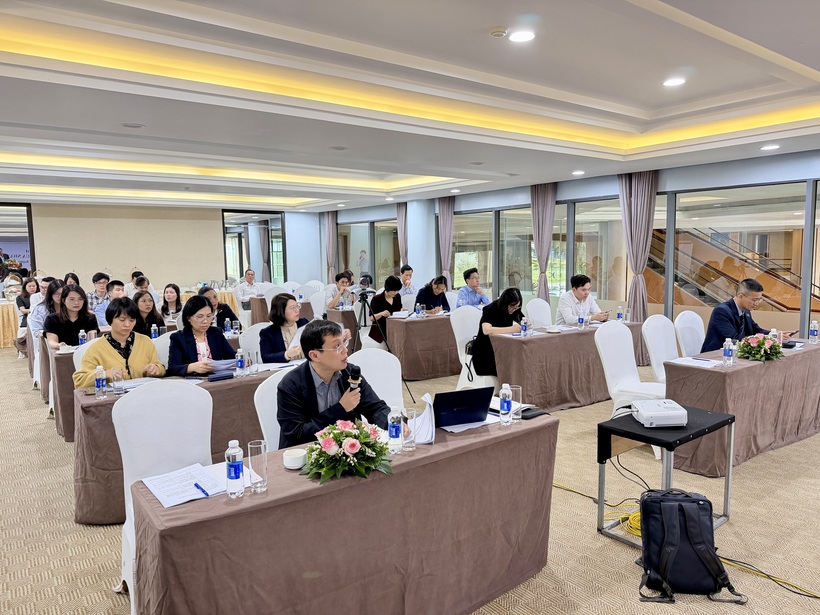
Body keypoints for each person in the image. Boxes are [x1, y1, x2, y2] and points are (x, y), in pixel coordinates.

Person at [276, 320, 389, 448]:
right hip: (304, 455)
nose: (345, 350)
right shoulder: (290, 385)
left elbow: (375, 408)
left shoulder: (350, 374)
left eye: (344, 343)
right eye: (337, 346)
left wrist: (393, 422)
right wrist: (341, 408)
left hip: (346, 451)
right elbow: (297, 434)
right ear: (315, 355)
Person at [73, 298, 165, 388]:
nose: (127, 324)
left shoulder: (145, 341)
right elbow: (79, 381)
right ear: (110, 319)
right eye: (122, 320)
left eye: (132, 320)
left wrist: (156, 369)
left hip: (142, 395)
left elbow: (160, 367)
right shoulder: (96, 348)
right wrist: (104, 373)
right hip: (112, 400)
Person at [167, 295, 237, 377]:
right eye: (200, 317)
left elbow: (232, 356)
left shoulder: (216, 333)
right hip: (192, 383)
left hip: (216, 379)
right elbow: (172, 368)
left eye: (209, 316)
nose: (205, 321)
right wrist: (191, 367)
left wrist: (241, 359)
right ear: (189, 318)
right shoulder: (178, 338)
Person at [701, 279, 775, 352]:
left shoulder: (746, 311)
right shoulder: (721, 311)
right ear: (741, 296)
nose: (757, 303)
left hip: (735, 354)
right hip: (715, 356)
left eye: (759, 299)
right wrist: (761, 340)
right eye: (754, 300)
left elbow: (756, 329)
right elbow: (734, 339)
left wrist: (774, 334)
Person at [470, 287, 524, 377]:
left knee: (521, 359)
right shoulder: (490, 309)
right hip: (486, 350)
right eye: (512, 306)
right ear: (505, 303)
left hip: (503, 346)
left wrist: (527, 324)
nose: (513, 310)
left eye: (516, 307)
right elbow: (486, 330)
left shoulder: (515, 309)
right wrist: (511, 329)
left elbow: (524, 321)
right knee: (512, 362)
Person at [43, 284, 99, 348]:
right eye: (72, 299)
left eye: (80, 299)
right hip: (63, 354)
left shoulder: (90, 318)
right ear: (64, 300)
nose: (76, 303)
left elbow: (92, 339)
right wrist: (59, 345)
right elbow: (51, 342)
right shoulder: (52, 319)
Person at [260, 293, 310, 363]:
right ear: (281, 311)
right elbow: (266, 358)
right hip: (284, 370)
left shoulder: (303, 323)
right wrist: (287, 354)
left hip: (306, 365)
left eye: (297, 306)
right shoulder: (268, 333)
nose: (297, 310)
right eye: (292, 308)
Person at [368, 275, 402, 344]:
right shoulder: (377, 299)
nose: (396, 293)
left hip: (395, 327)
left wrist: (402, 310)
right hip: (381, 328)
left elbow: (398, 310)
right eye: (394, 290)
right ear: (387, 288)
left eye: (397, 291)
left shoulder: (397, 297)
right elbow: (371, 318)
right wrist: (381, 313)